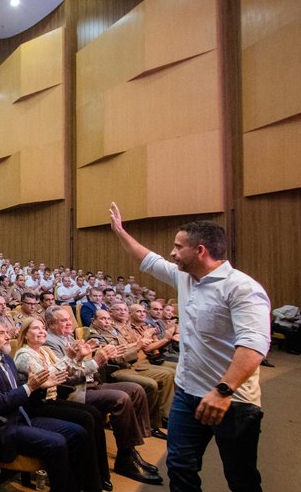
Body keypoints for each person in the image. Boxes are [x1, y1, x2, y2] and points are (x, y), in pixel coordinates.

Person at [109, 202, 270, 491]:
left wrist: (223, 391)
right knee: (180, 468)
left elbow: (253, 346)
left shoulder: (242, 288)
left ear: (201, 251)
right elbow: (147, 259)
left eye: (178, 246)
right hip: (187, 393)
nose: (172, 252)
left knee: (241, 476)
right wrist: (121, 232)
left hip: (232, 401)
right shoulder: (186, 277)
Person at [0, 316, 95, 492]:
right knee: (57, 442)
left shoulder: (6, 357)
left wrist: (40, 387)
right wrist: (30, 387)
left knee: (78, 432)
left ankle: (83, 486)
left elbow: (18, 390)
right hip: (4, 425)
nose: (7, 336)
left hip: (22, 415)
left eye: (6, 332)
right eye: (1, 333)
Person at [43, 306, 160, 485]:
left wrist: (103, 358)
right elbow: (66, 375)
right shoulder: (51, 342)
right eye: (63, 321)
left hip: (92, 382)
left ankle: (129, 450)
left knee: (136, 390)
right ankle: (126, 457)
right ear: (51, 324)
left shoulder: (68, 336)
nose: (69, 323)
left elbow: (83, 364)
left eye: (69, 319)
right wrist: (96, 361)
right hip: (75, 391)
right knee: (121, 398)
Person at [13, 316, 108, 491]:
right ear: (25, 335)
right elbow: (47, 376)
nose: (42, 331)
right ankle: (87, 481)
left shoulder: (45, 351)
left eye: (42, 328)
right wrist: (69, 358)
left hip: (52, 399)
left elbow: (68, 372)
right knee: (86, 418)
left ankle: (100, 474)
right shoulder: (23, 355)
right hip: (37, 405)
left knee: (93, 413)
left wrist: (77, 358)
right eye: (35, 328)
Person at [88, 307, 175, 438]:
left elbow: (127, 347)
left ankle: (161, 418)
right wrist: (138, 346)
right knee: (151, 384)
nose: (107, 322)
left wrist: (135, 346)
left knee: (167, 374)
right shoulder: (95, 336)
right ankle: (150, 424)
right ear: (94, 321)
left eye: (107, 318)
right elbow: (115, 358)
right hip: (115, 370)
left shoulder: (114, 331)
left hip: (129, 364)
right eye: (102, 319)